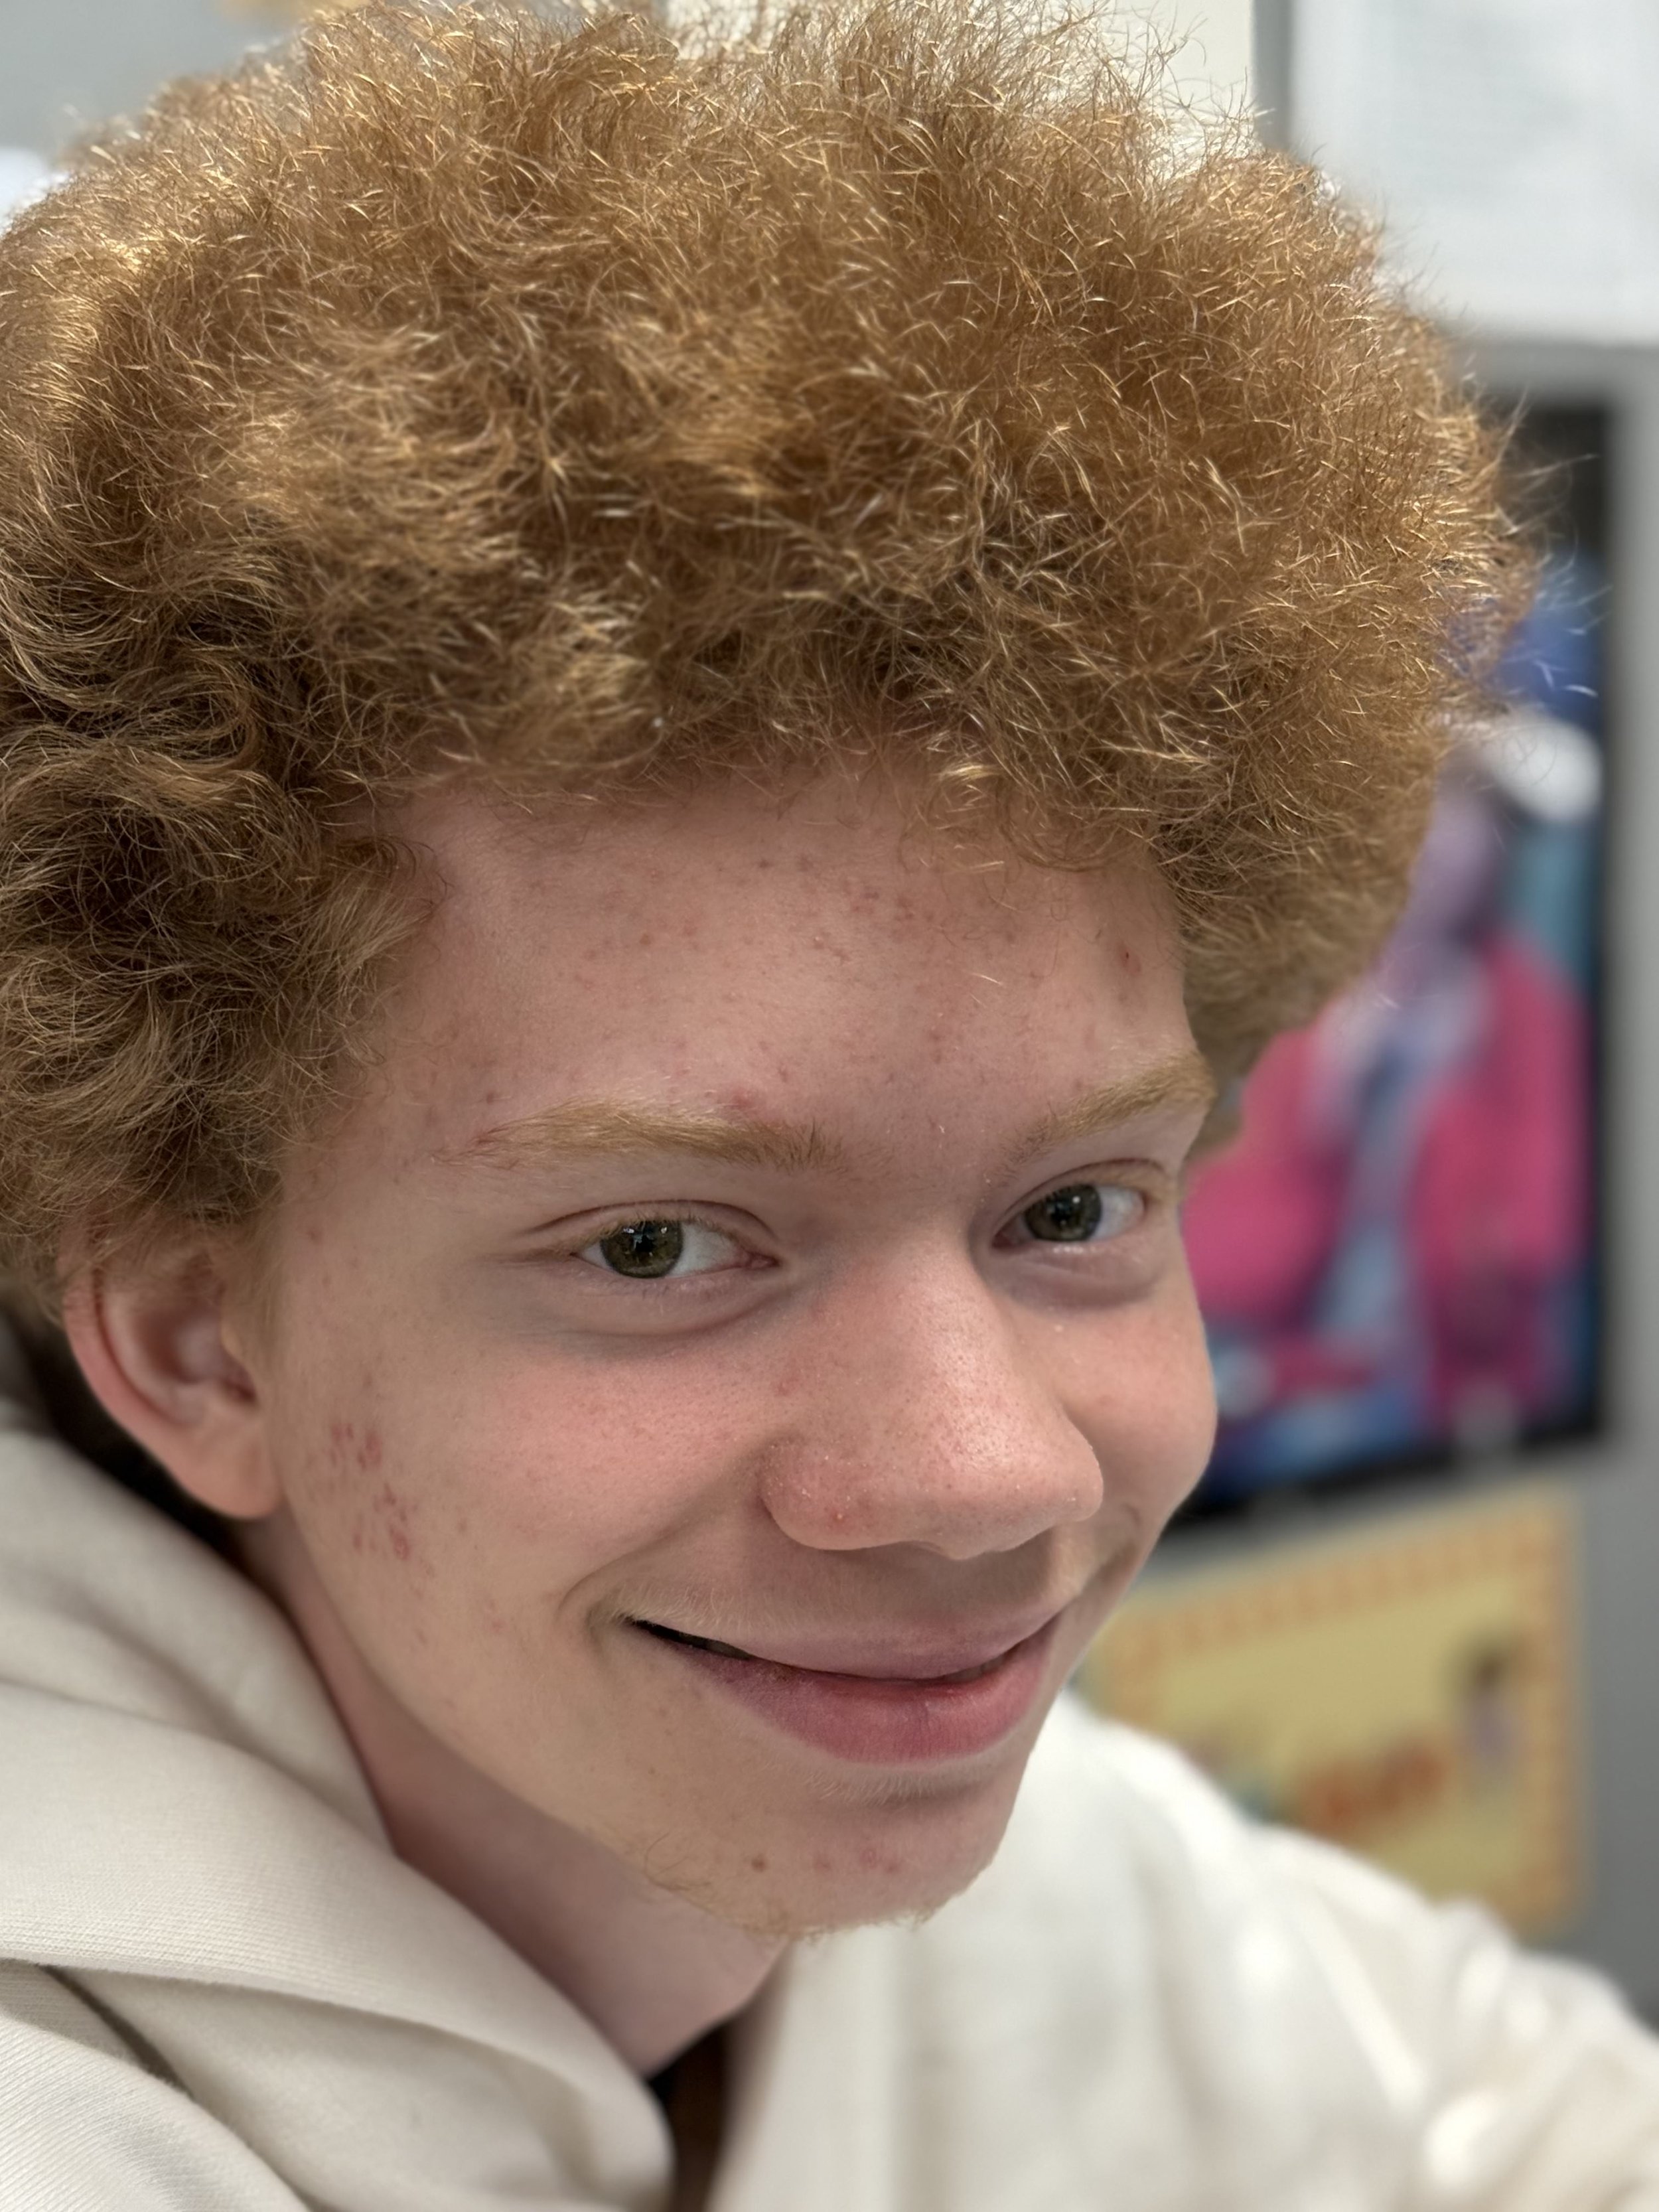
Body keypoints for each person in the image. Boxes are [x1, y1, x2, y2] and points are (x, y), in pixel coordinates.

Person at [0, 3, 1654, 2205]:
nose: (984, 1484)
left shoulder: (957, 1807)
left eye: (1070, 1211)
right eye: (660, 1246)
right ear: (201, 1340)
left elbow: (1518, 2114)